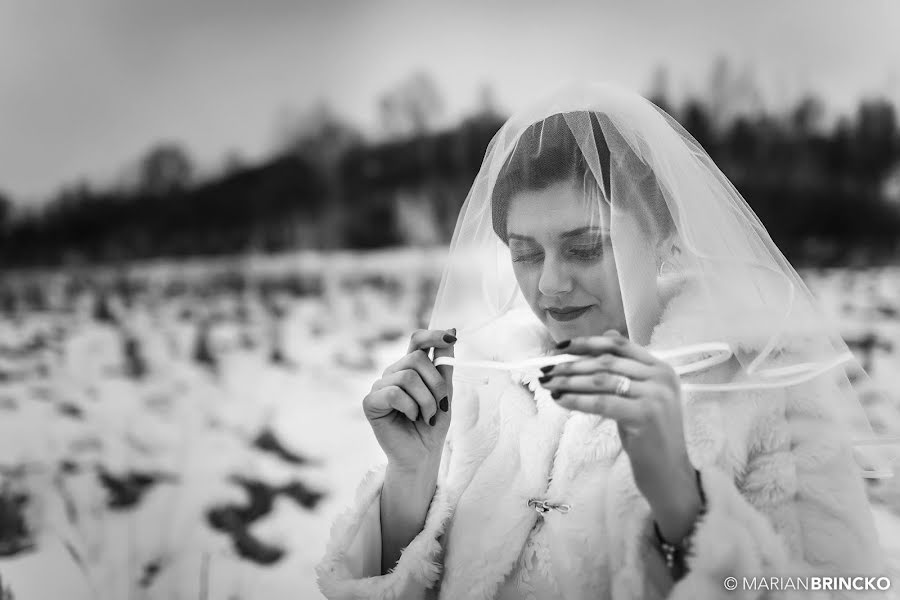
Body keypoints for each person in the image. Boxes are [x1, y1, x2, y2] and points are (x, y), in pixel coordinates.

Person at [316, 82, 895, 599]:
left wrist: (680, 502)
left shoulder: (762, 383)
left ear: (664, 237)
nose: (548, 283)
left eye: (586, 246)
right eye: (524, 252)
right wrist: (411, 479)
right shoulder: (486, 382)